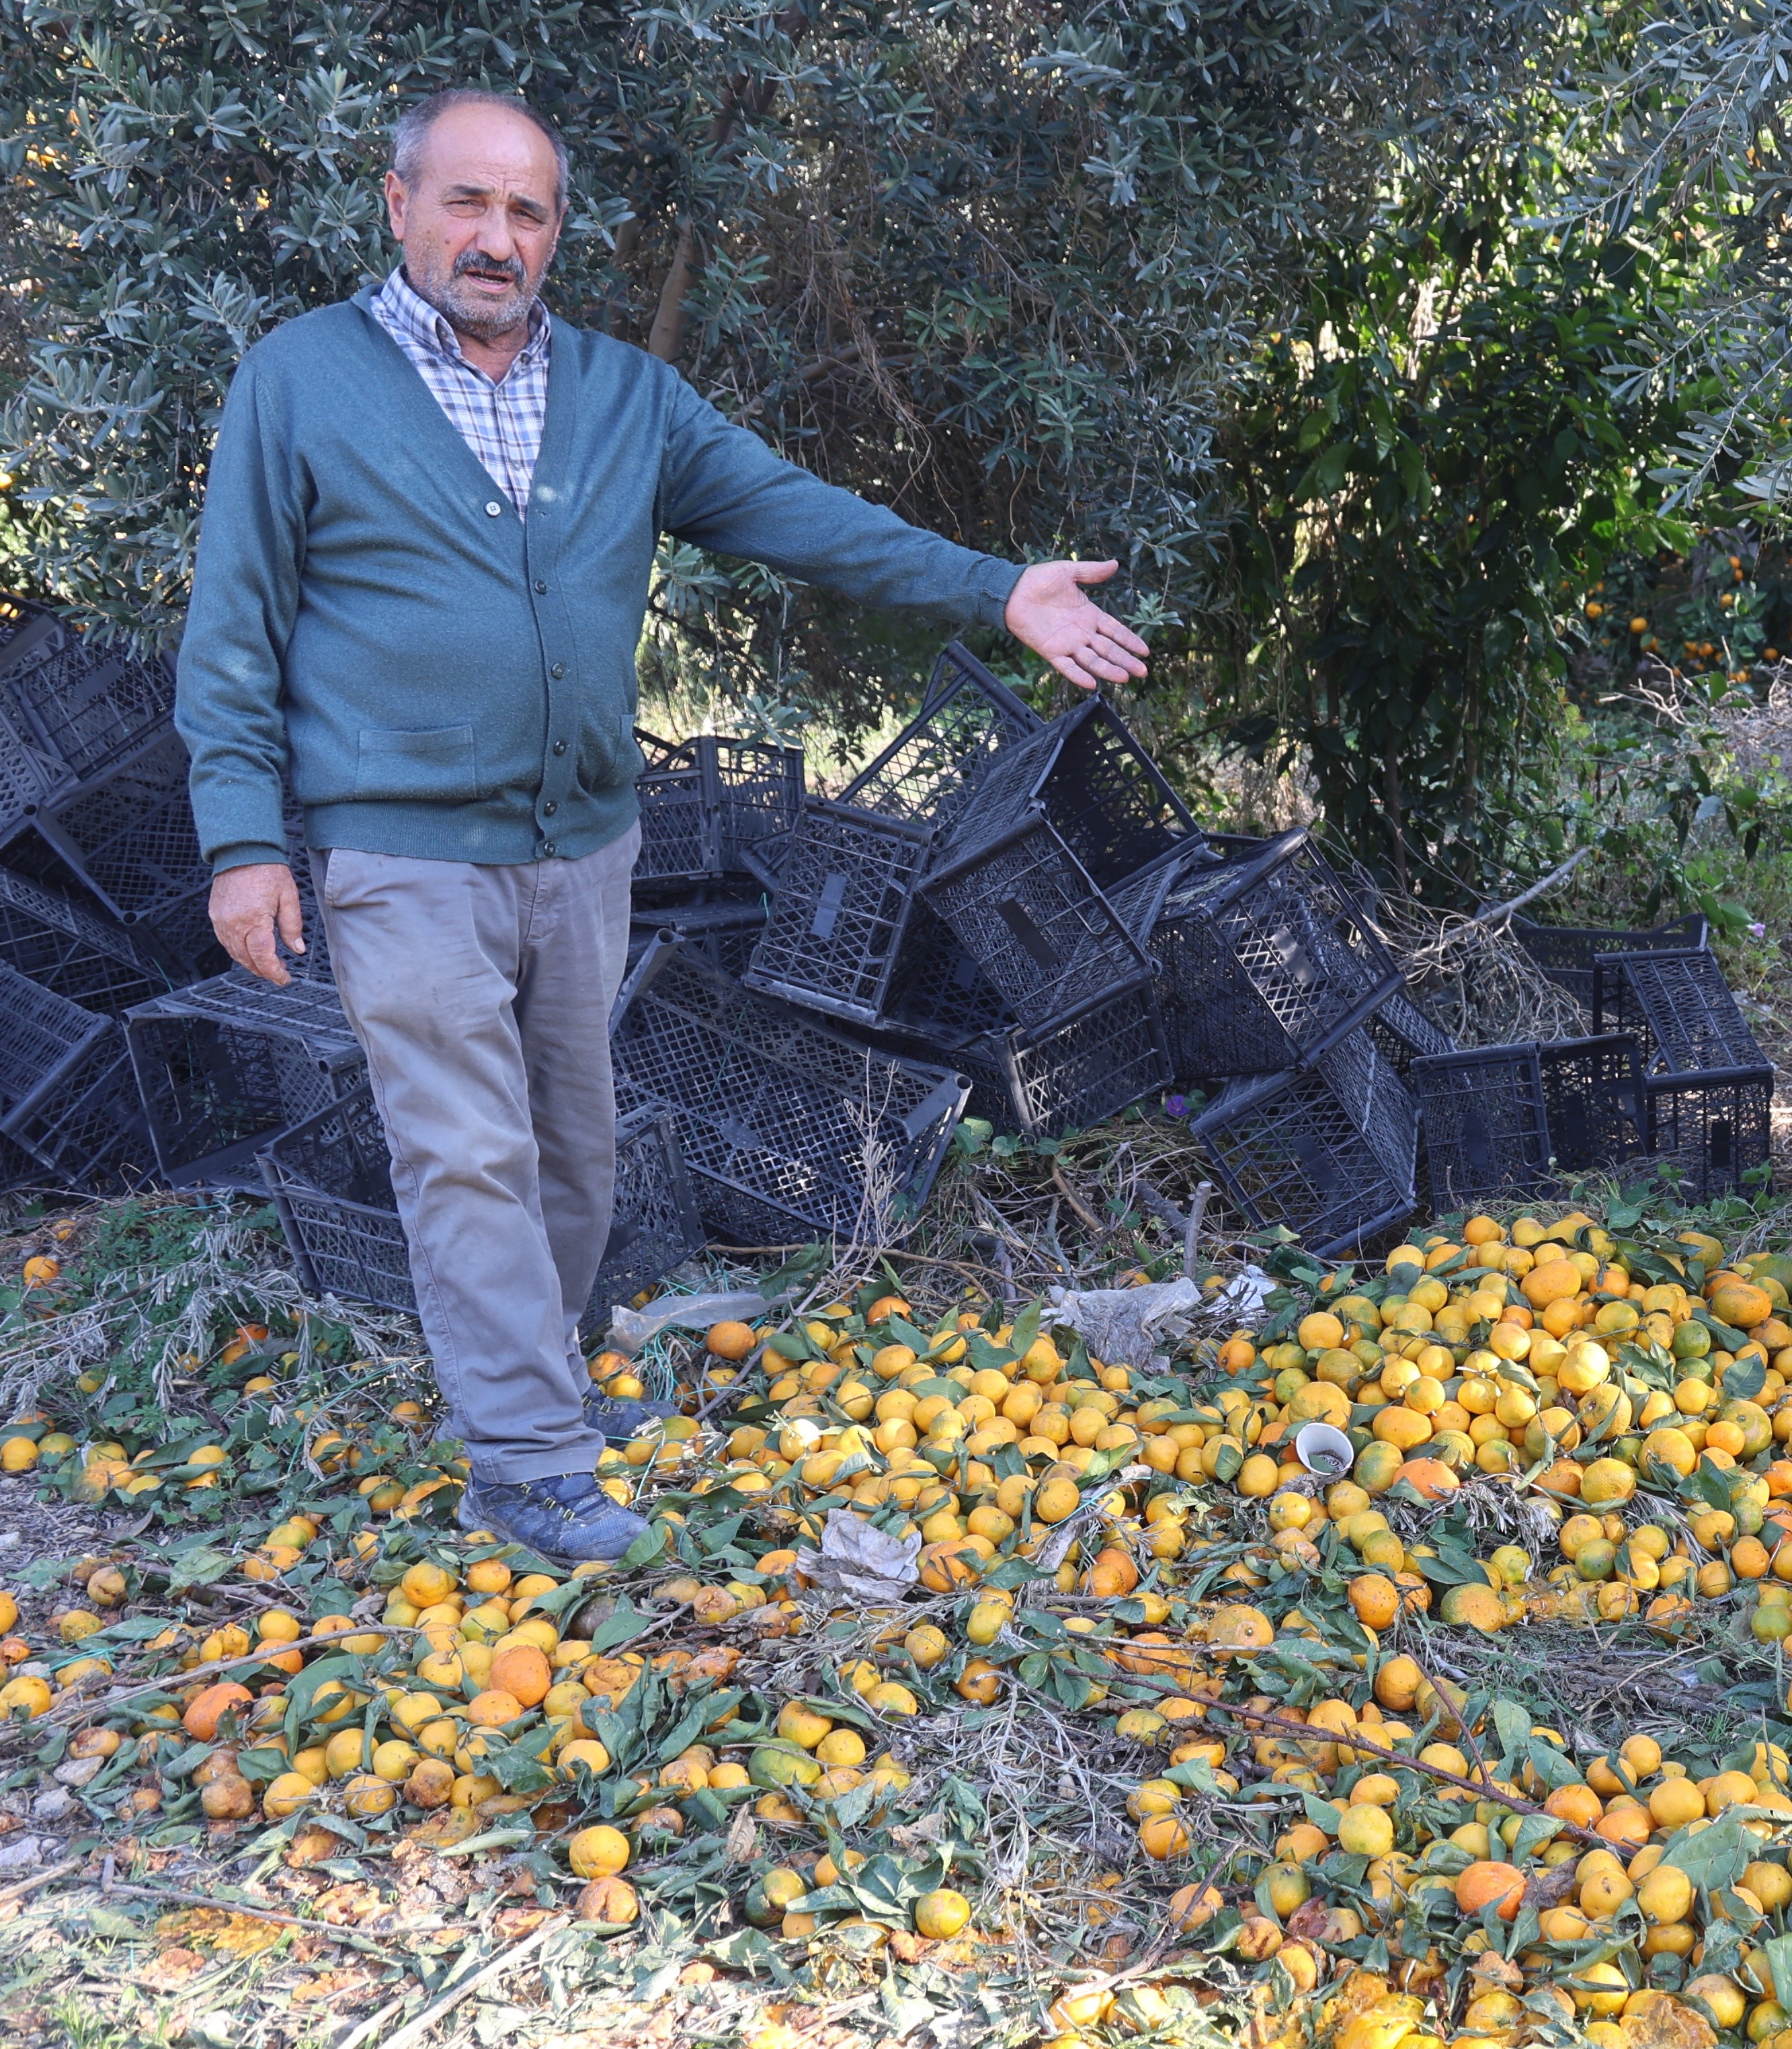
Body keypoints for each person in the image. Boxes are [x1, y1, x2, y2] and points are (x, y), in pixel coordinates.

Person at [176, 86, 1147, 1564]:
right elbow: (233, 628)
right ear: (398, 205)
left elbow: (793, 508)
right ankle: (528, 1462)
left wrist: (993, 586)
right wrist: (242, 838)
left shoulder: (625, 397)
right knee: (465, 1152)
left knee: (577, 1150)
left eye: (528, 212)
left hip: (583, 847)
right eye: (466, 202)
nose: (495, 238)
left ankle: (533, 1387)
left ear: (556, 233)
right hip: (404, 848)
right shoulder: (302, 382)